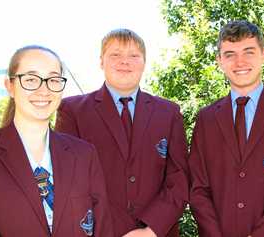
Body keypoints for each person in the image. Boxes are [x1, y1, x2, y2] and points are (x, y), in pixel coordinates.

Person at [55, 29, 189, 237]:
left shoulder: (169, 113)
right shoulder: (72, 111)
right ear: (101, 61)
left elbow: (180, 179)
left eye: (134, 56)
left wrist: (151, 230)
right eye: (115, 54)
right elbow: (69, 181)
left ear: (144, 62)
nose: (124, 62)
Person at [189, 20, 264, 237]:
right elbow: (198, 189)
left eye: (249, 52)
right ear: (219, 61)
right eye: (230, 54)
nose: (239, 61)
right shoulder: (206, 119)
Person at [0, 45, 113, 237]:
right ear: (10, 86)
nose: (44, 89)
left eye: (53, 80)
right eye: (31, 79)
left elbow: (104, 229)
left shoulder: (84, 155)